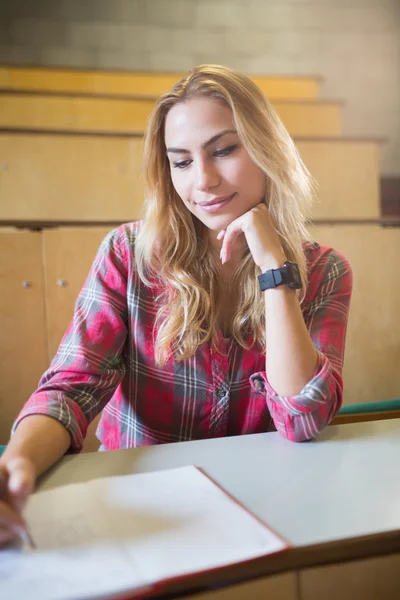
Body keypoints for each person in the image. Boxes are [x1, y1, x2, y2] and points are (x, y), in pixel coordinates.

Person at [0, 64, 352, 546]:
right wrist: (18, 460)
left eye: (225, 150)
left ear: (268, 148)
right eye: (181, 161)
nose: (203, 180)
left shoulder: (326, 272)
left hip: (264, 510)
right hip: (143, 514)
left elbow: (302, 418)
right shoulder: (128, 254)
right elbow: (71, 388)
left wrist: (275, 270)